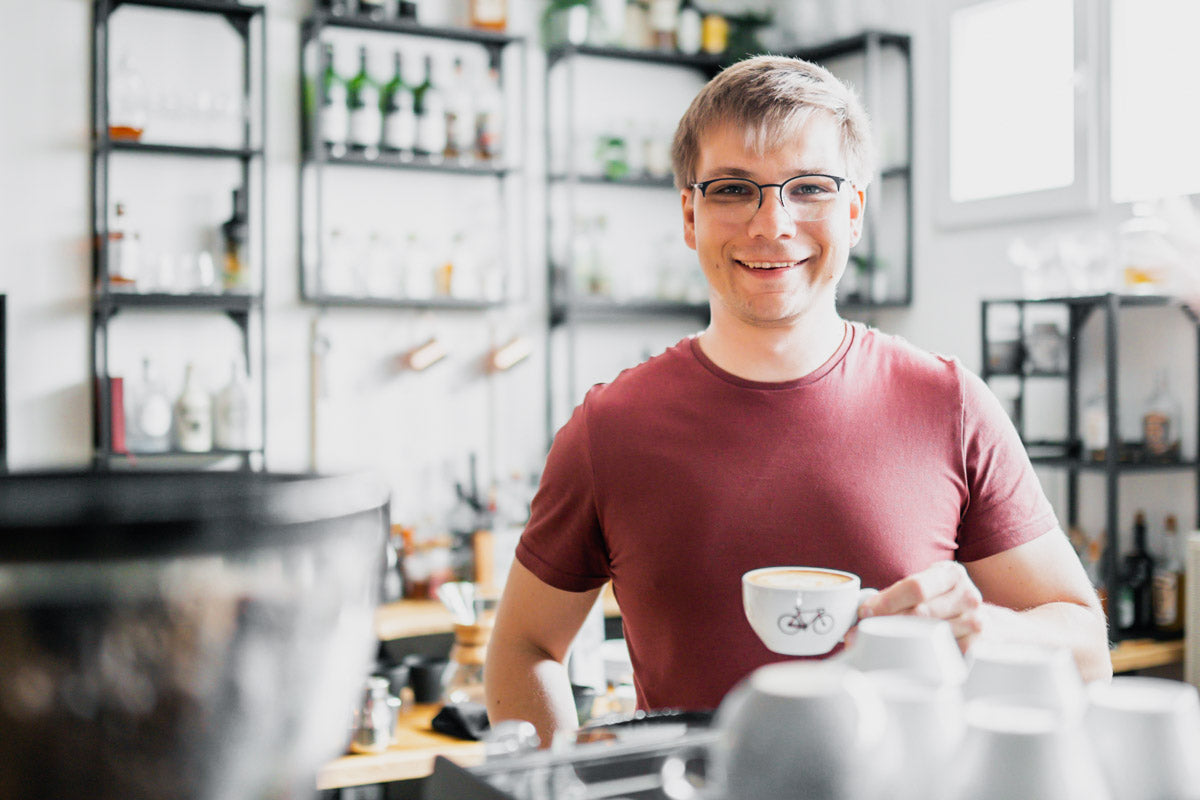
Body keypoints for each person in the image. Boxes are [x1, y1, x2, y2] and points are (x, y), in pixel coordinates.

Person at [485, 55, 1110, 746]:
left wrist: (984, 628)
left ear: (854, 212)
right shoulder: (608, 430)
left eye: (808, 187)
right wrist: (562, 776)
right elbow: (522, 647)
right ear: (690, 215)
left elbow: (1086, 650)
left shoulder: (950, 403)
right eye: (732, 190)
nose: (771, 223)